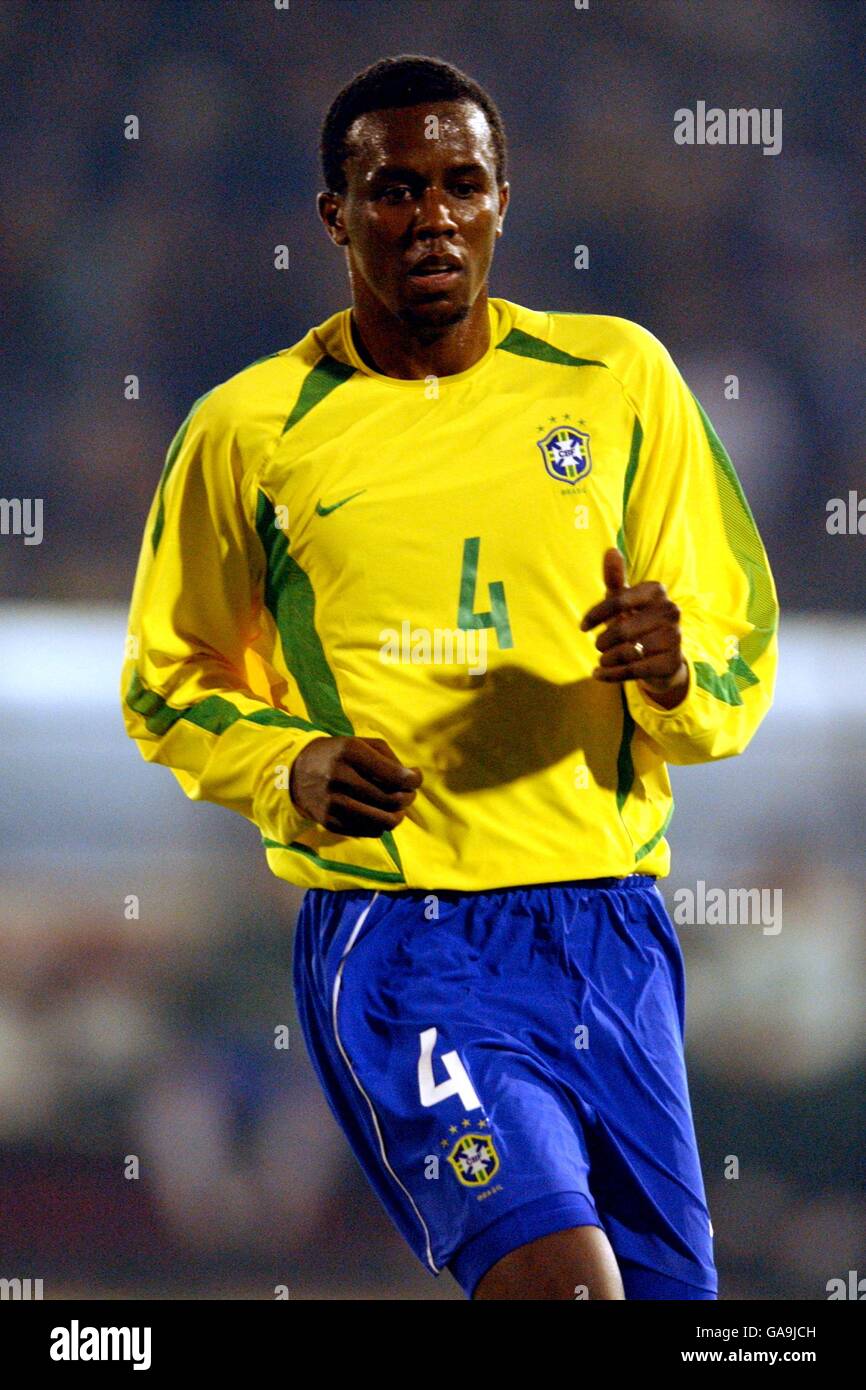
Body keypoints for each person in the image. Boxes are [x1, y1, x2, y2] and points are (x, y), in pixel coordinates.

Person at [120, 54, 779, 1300]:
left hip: (611, 931)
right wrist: (292, 765)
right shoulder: (247, 432)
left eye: (459, 183)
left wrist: (673, 669)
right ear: (334, 214)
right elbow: (166, 680)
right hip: (405, 934)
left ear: (501, 200)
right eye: (392, 190)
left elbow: (733, 640)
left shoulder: (620, 380)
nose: (430, 217)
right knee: (562, 1285)